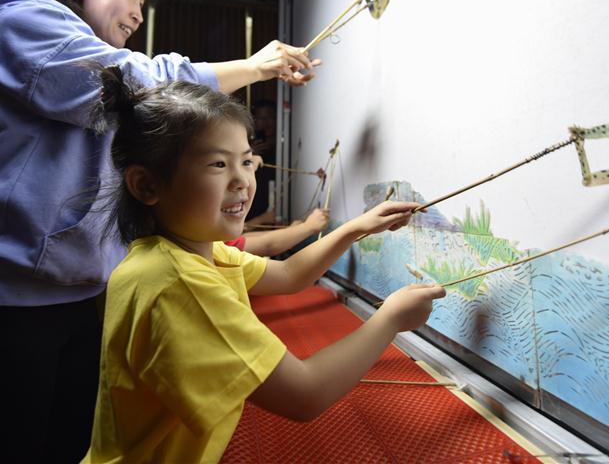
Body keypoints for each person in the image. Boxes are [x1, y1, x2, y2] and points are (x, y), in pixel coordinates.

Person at [0, 0, 320, 463]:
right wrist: (253, 66)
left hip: (83, 294)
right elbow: (128, 82)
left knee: (72, 445)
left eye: (141, 3)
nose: (135, 13)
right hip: (1, 297)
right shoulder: (23, 23)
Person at [81, 69, 445, 463]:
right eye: (218, 165)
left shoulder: (190, 253)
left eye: (247, 161)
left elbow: (289, 275)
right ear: (146, 186)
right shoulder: (178, 284)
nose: (242, 181)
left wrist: (357, 226)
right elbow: (306, 394)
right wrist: (389, 318)